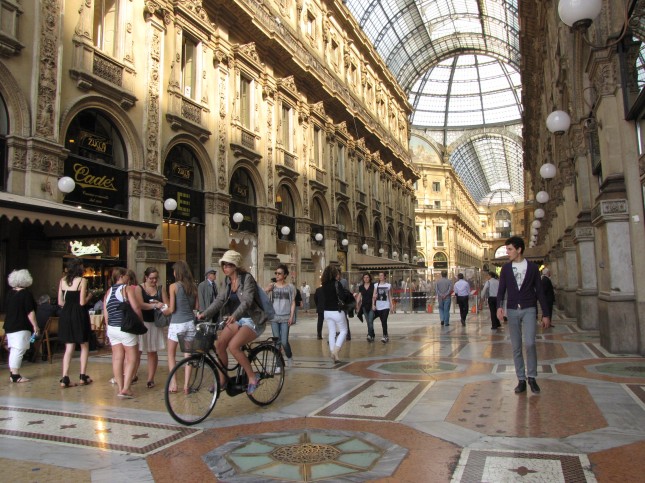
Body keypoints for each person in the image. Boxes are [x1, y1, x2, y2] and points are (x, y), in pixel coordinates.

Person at [198, 250, 268, 394]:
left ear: (235, 266)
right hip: (239, 319)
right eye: (224, 265)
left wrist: (234, 316)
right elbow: (220, 300)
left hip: (253, 320)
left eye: (229, 265)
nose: (225, 268)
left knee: (233, 346)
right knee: (220, 345)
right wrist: (204, 314)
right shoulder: (228, 281)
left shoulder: (247, 278)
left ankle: (252, 377)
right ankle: (223, 380)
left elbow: (247, 301)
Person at [496, 236, 551, 394]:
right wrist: (499, 306)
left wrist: (545, 314)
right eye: (507, 249)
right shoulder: (506, 269)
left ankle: (532, 377)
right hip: (512, 310)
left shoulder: (533, 268)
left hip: (529, 308)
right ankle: (521, 379)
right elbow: (501, 290)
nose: (507, 252)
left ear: (519, 249)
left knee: (530, 343)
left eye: (510, 249)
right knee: (516, 347)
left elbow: (540, 292)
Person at [159, 260, 199, 394]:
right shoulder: (193, 287)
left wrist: (163, 308)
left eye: (174, 271)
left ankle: (174, 383)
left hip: (177, 323)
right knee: (188, 355)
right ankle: (186, 386)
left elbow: (172, 309)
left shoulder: (174, 286)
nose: (173, 273)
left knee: (171, 354)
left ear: (178, 272)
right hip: (190, 323)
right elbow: (197, 307)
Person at [104, 267, 142, 398]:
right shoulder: (126, 289)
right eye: (126, 276)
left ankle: (120, 388)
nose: (128, 278)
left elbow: (106, 313)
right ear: (121, 276)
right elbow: (136, 307)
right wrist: (140, 322)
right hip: (125, 327)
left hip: (112, 328)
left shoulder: (108, 292)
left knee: (117, 358)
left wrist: (107, 330)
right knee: (132, 357)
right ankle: (126, 387)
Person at [57, 259, 94, 388]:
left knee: (69, 347)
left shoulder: (62, 281)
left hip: (66, 314)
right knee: (84, 345)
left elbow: (60, 302)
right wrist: (90, 296)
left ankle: (65, 377)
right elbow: (82, 302)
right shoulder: (82, 281)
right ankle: (83, 376)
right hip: (79, 314)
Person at [133, 267, 167, 389]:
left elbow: (166, 304)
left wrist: (163, 306)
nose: (154, 281)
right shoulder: (139, 288)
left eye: (155, 278)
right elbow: (139, 304)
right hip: (143, 322)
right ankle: (133, 374)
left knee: (152, 351)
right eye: (151, 278)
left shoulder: (160, 288)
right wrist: (154, 305)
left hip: (155, 323)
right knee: (138, 350)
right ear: (146, 277)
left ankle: (150, 378)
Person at [5, 269, 38, 383]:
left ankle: (12, 372)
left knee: (14, 349)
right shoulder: (26, 294)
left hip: (10, 325)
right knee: (19, 350)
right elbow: (30, 312)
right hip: (21, 325)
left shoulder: (10, 293)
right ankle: (15, 375)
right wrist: (35, 326)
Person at [265, 264, 295, 368]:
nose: (277, 275)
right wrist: (267, 290)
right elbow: (264, 297)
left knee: (284, 341)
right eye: (276, 273)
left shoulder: (290, 287)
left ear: (285, 275)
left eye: (279, 273)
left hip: (285, 317)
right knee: (276, 342)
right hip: (274, 317)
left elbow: (292, 303)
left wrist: (291, 317)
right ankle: (279, 366)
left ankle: (289, 356)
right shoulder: (272, 286)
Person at [320, 265, 349, 362]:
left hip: (327, 312)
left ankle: (334, 354)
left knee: (331, 332)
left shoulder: (324, 284)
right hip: (337, 311)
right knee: (344, 330)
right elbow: (342, 297)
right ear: (334, 274)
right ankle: (336, 350)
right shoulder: (337, 284)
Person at [371, 271, 391, 343]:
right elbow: (373, 295)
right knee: (375, 319)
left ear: (385, 277)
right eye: (379, 276)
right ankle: (372, 334)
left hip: (386, 306)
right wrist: (373, 304)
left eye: (382, 275)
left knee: (384, 321)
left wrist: (391, 306)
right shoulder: (376, 285)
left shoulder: (388, 285)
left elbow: (389, 296)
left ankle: (385, 335)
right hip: (378, 306)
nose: (380, 277)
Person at [356, 272, 376, 342]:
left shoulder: (373, 286)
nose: (366, 279)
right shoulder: (361, 287)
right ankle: (372, 333)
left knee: (370, 321)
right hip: (364, 306)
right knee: (368, 322)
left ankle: (369, 335)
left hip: (371, 305)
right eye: (364, 277)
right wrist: (357, 305)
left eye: (367, 277)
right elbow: (359, 296)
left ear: (370, 278)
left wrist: (374, 304)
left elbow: (374, 295)